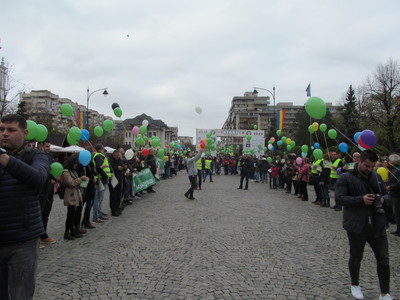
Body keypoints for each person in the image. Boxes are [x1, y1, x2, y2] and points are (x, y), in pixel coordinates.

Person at [0, 114, 50, 300]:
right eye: (1, 129)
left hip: (23, 240)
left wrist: (4, 158)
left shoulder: (36, 155)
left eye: (11, 130)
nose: (5, 134)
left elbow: (38, 179)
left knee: (20, 294)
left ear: (25, 133)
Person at [335, 150, 395, 300]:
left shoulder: (377, 176)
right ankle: (355, 284)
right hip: (357, 225)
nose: (370, 169)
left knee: (384, 259)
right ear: (360, 161)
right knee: (356, 257)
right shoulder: (346, 177)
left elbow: (388, 195)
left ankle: (385, 293)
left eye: (372, 166)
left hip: (378, 224)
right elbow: (340, 198)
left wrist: (382, 199)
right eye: (367, 166)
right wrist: (360, 200)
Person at [62, 154, 88, 240]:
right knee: (70, 214)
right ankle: (67, 232)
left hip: (76, 193)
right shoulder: (66, 171)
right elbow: (71, 183)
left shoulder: (73, 171)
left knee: (74, 213)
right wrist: (80, 179)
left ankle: (73, 230)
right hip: (70, 194)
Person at [37, 139, 57, 247]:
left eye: (49, 146)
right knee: (38, 214)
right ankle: (36, 239)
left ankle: (43, 235)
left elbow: (54, 170)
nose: (48, 148)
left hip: (49, 189)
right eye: (47, 146)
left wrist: (54, 178)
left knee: (46, 213)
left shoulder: (49, 158)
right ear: (40, 146)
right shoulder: (36, 157)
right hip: (40, 190)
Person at [92, 144, 111, 223]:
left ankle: (99, 214)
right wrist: (105, 176)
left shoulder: (99, 156)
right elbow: (99, 168)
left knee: (100, 198)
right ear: (101, 149)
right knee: (98, 199)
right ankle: (96, 216)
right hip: (101, 179)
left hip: (102, 179)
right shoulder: (99, 156)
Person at [386, 153, 400, 237]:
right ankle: (398, 229)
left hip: (397, 194)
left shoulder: (397, 170)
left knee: (397, 213)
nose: (388, 162)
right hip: (395, 193)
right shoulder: (395, 169)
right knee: (396, 213)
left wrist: (390, 187)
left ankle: (399, 230)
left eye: (390, 160)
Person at [109, 149, 124, 216]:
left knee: (118, 194)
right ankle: (113, 209)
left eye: (118, 155)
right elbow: (111, 167)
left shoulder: (119, 160)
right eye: (116, 155)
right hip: (113, 180)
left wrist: (124, 167)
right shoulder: (110, 160)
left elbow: (122, 165)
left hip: (119, 179)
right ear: (113, 155)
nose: (118, 157)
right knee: (113, 195)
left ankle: (117, 208)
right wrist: (117, 168)